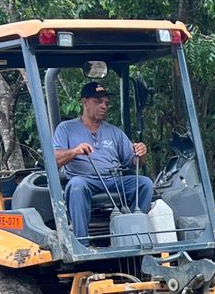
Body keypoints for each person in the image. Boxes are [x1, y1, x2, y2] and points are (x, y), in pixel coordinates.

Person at [53, 81, 153, 242]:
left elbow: (136, 163)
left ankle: (136, 236)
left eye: (106, 103)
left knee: (145, 184)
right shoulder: (66, 129)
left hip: (113, 180)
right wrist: (75, 151)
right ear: (85, 102)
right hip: (85, 180)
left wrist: (141, 152)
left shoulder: (114, 132)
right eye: (98, 102)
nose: (104, 106)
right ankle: (81, 243)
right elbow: (54, 160)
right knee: (76, 186)